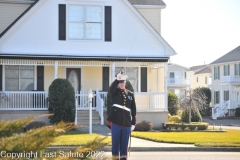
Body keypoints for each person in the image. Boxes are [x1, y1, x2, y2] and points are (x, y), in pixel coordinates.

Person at [107, 71, 137, 160]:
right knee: (115, 144)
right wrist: (117, 79)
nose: (121, 84)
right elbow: (111, 88)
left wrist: (133, 123)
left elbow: (133, 109)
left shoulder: (130, 94)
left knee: (124, 145)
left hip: (127, 123)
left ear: (125, 83)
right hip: (116, 122)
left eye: (123, 82)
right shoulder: (115, 92)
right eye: (120, 82)